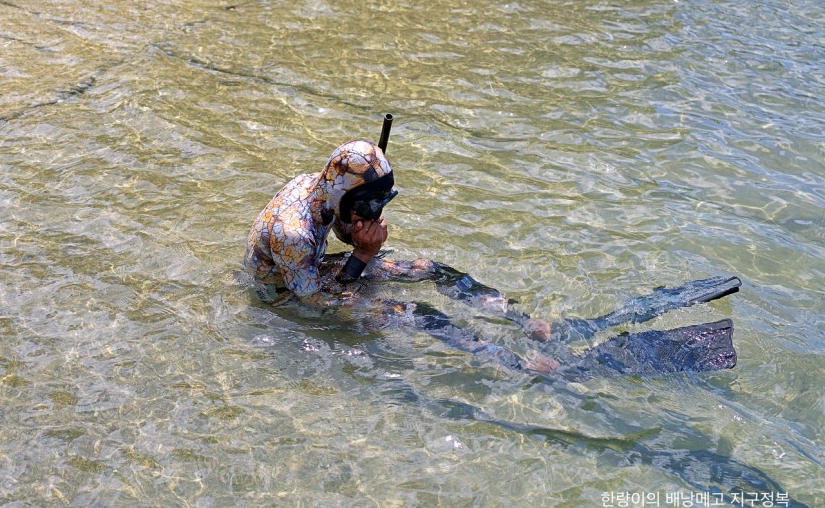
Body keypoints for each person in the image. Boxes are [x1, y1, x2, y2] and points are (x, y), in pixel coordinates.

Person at [245, 138, 739, 380]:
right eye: (371, 206)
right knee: (415, 315)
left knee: (426, 268)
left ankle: (526, 323)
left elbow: (341, 247)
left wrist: (362, 246)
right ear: (346, 195)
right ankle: (520, 365)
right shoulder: (294, 233)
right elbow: (314, 301)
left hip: (312, 272)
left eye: (383, 203)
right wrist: (362, 255)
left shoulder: (328, 190)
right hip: (291, 294)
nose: (375, 214)